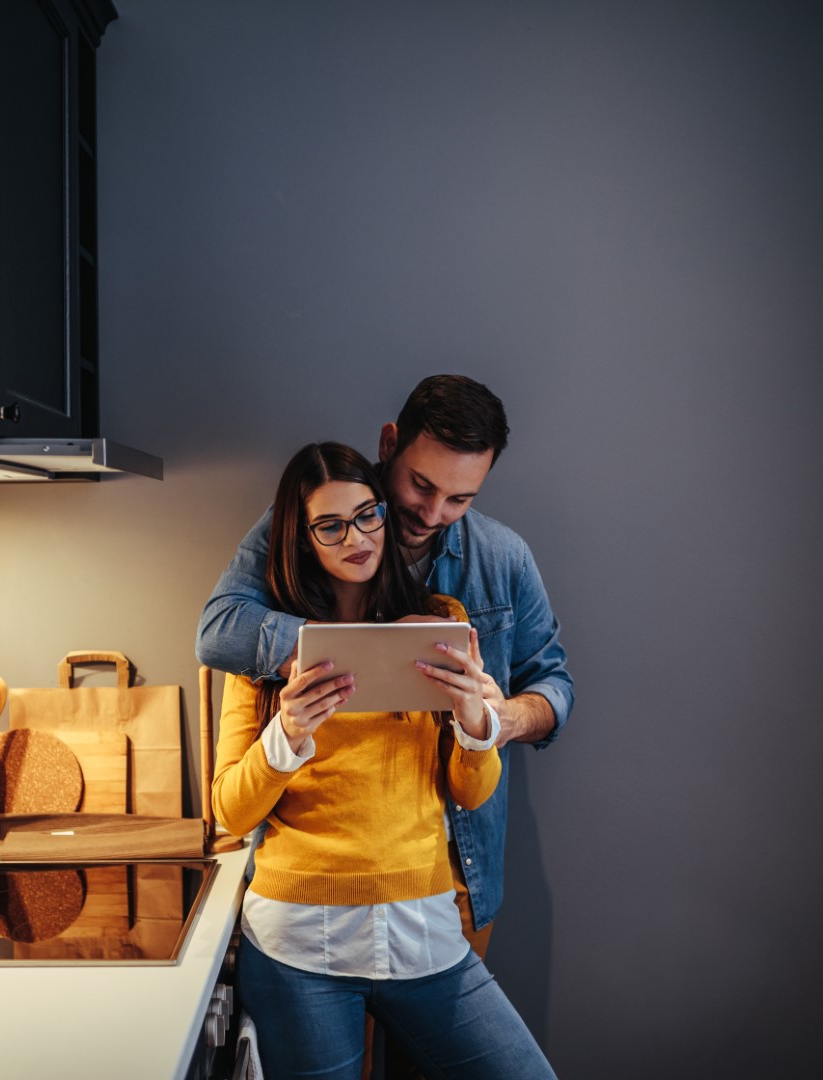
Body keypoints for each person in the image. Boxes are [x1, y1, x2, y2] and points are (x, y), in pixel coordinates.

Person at [211, 442, 557, 1080]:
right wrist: (287, 732)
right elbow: (229, 811)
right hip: (297, 944)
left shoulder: (438, 623)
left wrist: (479, 724)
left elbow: (470, 794)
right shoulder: (265, 657)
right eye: (331, 525)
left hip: (423, 930)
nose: (357, 537)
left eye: (368, 514)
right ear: (302, 537)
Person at [197, 374, 573, 953]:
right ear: (389, 443)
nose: (432, 512)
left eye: (460, 498)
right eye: (421, 485)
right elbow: (220, 629)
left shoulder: (501, 559)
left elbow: (552, 685)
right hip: (314, 892)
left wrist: (497, 718)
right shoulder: (317, 513)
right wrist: (360, 647)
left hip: (458, 871)